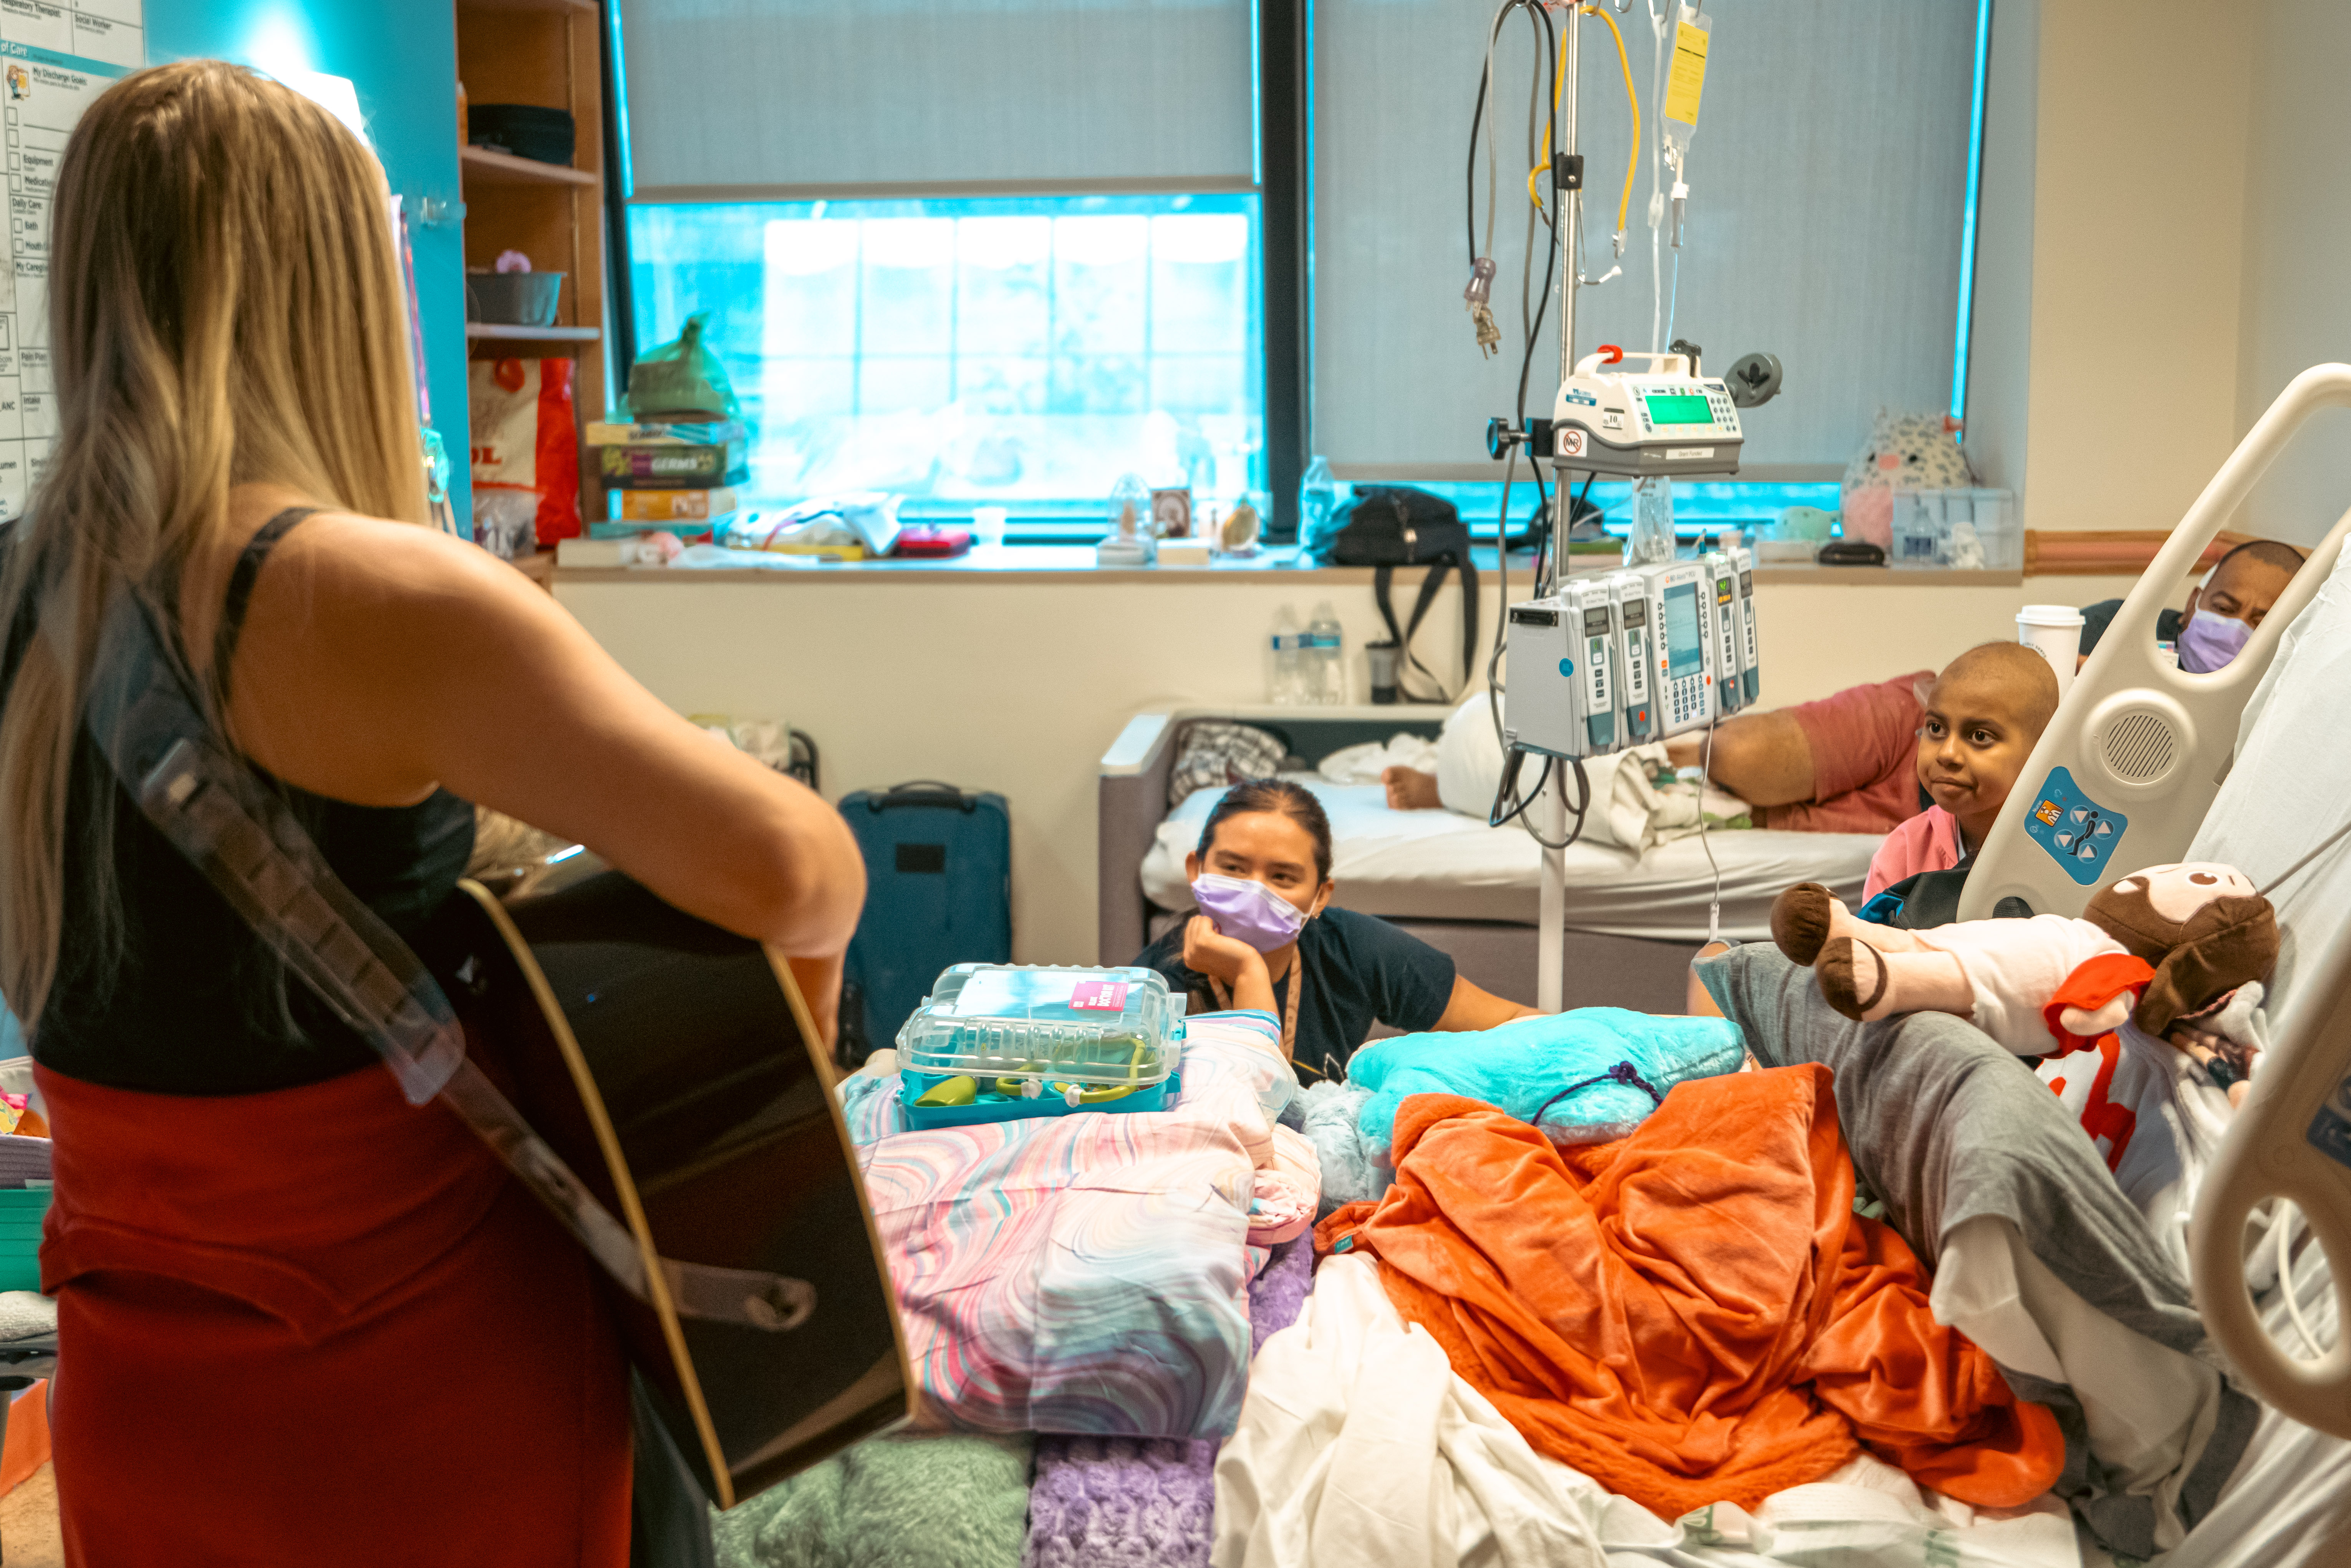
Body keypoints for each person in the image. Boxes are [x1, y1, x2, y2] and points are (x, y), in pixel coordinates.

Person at [2, 63, 866, 1565]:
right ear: (345, 280)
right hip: (408, 1388)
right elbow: (802, 868)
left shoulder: (20, 581)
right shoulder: (364, 590)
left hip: (138, 1379)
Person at [1133, 780, 1538, 1076]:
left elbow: (1521, 1022)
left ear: (1320, 896)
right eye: (1234, 869)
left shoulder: (1355, 948)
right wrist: (1247, 971)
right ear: (1195, 870)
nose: (1254, 891)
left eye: (1282, 877)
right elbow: (1255, 1104)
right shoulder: (1156, 988)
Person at [1861, 642, 2059, 900]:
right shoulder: (1904, 852)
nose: (1947, 754)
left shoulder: (2067, 845)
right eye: (1935, 728)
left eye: (1979, 735)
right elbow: (1868, 939)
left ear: (2041, 750)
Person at [2076, 537, 2306, 671]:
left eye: (2259, 622)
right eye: (2224, 609)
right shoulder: (2113, 625)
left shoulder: (2278, 685)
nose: (2235, 629)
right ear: (2193, 601)